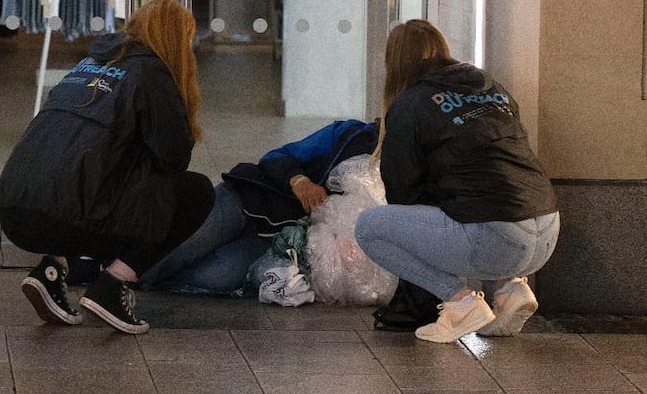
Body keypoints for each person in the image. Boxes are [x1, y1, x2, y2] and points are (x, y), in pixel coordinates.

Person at [0, 0, 215, 334]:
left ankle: (51, 272)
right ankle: (113, 286)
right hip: (64, 216)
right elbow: (173, 157)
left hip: (15, 211)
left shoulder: (89, 64)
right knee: (194, 191)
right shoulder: (153, 72)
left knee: (90, 181)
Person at [354, 19, 560, 343]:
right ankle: (510, 289)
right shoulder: (492, 88)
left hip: (496, 237)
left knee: (369, 227)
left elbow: (402, 192)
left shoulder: (410, 104)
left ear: (396, 63)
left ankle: (460, 303)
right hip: (547, 231)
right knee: (479, 199)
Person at [139, 118, 380, 295]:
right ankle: (118, 275)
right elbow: (276, 156)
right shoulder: (352, 134)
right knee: (185, 245)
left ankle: (140, 278)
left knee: (219, 276)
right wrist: (299, 181)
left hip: (272, 244)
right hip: (249, 200)